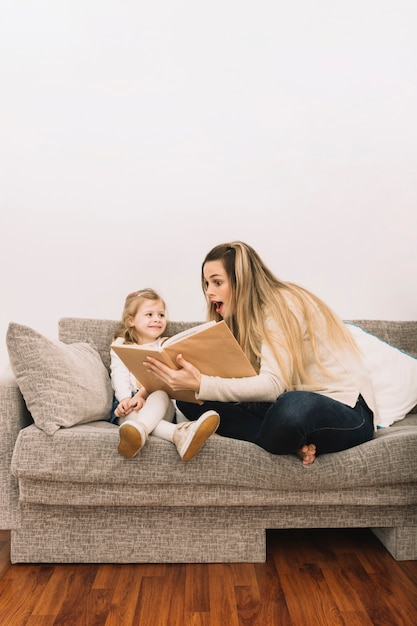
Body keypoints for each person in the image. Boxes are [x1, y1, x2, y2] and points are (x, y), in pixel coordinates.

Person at [143, 242, 377, 465]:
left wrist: (203, 382)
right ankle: (285, 441)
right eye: (206, 284)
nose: (209, 292)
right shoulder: (242, 320)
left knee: (291, 408)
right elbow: (247, 386)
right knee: (190, 399)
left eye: (217, 282)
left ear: (242, 281)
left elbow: (273, 386)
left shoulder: (282, 304)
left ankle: (279, 437)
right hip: (285, 407)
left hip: (348, 411)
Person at [110, 288, 220, 460]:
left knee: (160, 394)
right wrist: (125, 399)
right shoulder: (121, 344)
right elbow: (119, 373)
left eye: (161, 315)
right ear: (130, 320)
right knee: (132, 421)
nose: (157, 319)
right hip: (129, 404)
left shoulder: (166, 345)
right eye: (149, 314)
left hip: (159, 403)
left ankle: (141, 432)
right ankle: (178, 434)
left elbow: (163, 381)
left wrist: (142, 395)